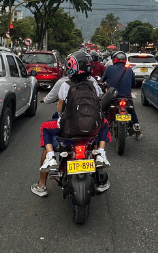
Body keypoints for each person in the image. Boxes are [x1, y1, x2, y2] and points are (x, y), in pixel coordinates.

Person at [32, 52, 111, 197]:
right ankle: (100, 154)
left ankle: (45, 175)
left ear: (71, 67)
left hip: (69, 129)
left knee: (45, 127)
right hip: (92, 128)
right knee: (104, 124)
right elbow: (99, 101)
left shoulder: (64, 84)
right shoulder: (93, 82)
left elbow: (60, 109)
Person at [102, 51, 142, 141]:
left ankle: (102, 128)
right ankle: (138, 130)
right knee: (131, 110)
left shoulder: (109, 68)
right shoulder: (129, 70)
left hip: (113, 97)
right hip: (127, 97)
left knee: (103, 109)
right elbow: (134, 84)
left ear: (114, 59)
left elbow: (102, 80)